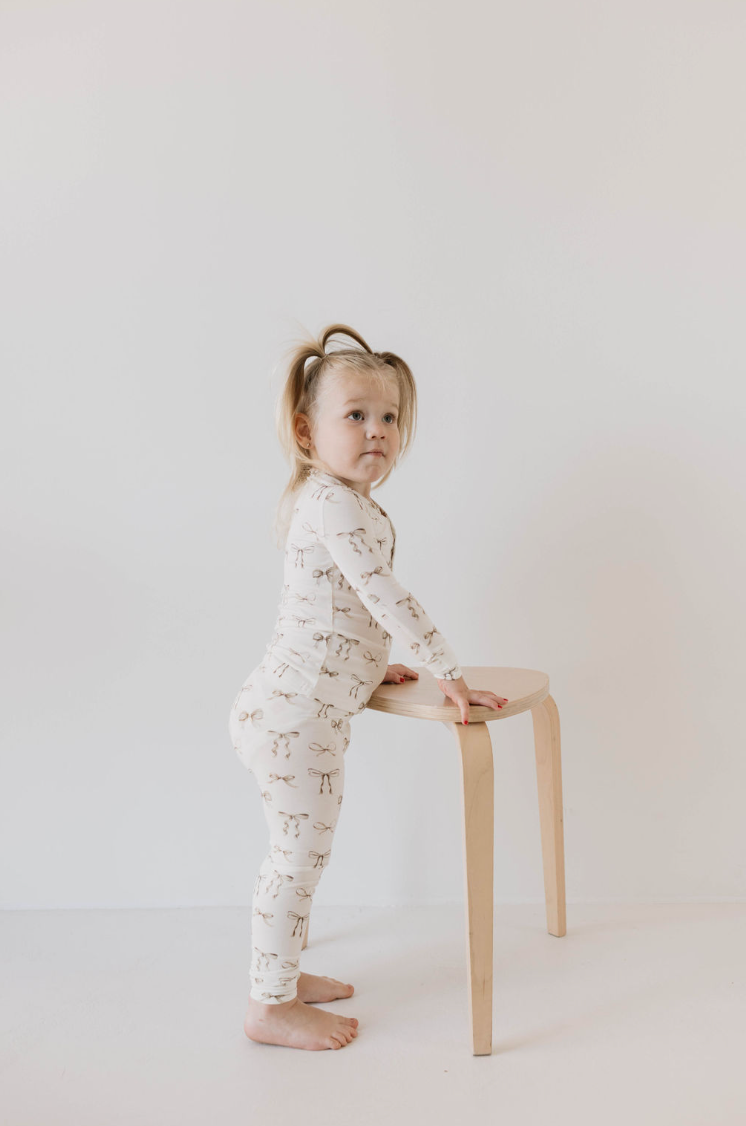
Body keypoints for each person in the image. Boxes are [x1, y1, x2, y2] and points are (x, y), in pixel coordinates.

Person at [228, 323, 508, 1051]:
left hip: (293, 706)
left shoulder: (335, 500)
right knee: (295, 857)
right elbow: (380, 592)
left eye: (389, 418)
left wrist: (367, 662)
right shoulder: (332, 502)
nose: (377, 432)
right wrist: (448, 669)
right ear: (305, 429)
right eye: (355, 415)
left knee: (300, 852)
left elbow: (325, 606)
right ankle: (268, 1007)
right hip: (293, 719)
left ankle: (281, 976)